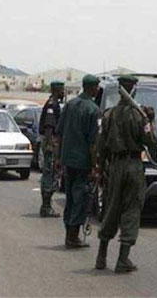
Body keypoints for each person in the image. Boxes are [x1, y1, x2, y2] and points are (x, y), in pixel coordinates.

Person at [95, 75, 157, 273]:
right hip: (133, 165)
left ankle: (101, 256)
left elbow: (101, 146)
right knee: (131, 209)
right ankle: (123, 259)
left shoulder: (109, 115)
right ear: (134, 90)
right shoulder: (139, 115)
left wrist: (99, 168)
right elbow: (152, 141)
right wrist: (150, 120)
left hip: (115, 166)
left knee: (111, 207)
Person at [56, 74, 100, 249]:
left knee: (70, 198)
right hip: (82, 162)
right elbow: (93, 142)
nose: (98, 90)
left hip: (68, 160)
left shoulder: (70, 105)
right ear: (91, 87)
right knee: (80, 198)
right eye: (97, 87)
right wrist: (95, 165)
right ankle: (73, 236)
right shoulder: (93, 109)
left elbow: (59, 133)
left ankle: (69, 234)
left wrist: (59, 158)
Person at [38, 81, 64, 217]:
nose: (63, 92)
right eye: (62, 90)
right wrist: (50, 145)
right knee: (50, 173)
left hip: (51, 142)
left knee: (51, 173)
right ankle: (46, 206)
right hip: (51, 142)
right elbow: (49, 127)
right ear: (56, 90)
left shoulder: (53, 103)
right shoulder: (52, 105)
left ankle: (46, 206)